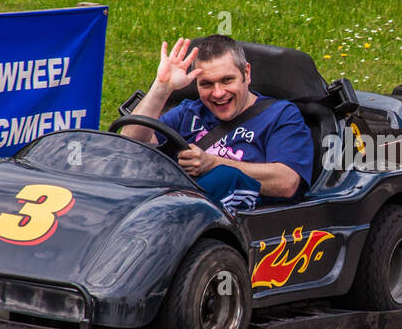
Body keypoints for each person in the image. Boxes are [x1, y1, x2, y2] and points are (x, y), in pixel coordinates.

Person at [120, 34, 314, 211]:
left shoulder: (280, 115)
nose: (218, 93)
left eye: (227, 80)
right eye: (206, 84)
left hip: (244, 227)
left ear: (246, 74)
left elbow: (287, 182)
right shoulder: (190, 111)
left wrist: (213, 163)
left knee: (226, 178)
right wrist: (162, 87)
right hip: (175, 210)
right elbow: (129, 147)